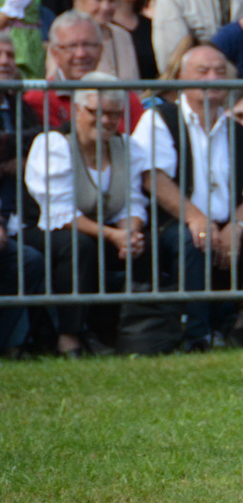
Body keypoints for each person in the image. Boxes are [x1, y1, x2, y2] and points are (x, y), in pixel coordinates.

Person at [134, 42, 243, 346]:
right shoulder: (158, 119)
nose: (212, 78)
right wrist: (196, 219)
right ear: (181, 77)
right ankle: (199, 335)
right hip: (174, 226)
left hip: (229, 227)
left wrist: (237, 227)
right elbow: (154, 179)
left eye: (219, 71)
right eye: (202, 71)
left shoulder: (239, 131)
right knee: (192, 239)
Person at [24, 75, 147, 356]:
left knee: (144, 245)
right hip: (43, 231)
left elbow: (132, 203)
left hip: (103, 230)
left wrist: (130, 233)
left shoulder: (127, 147)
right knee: (78, 245)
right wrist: (115, 234)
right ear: (77, 109)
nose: (106, 121)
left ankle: (131, 335)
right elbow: (60, 212)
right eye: (96, 112)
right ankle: (69, 338)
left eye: (114, 114)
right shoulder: (53, 144)